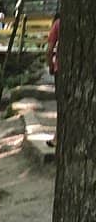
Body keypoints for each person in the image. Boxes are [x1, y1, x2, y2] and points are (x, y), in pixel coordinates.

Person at [47, 10, 60, 148]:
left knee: (62, 104)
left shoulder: (57, 23)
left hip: (60, 69)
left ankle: (57, 137)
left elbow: (49, 49)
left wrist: (50, 66)